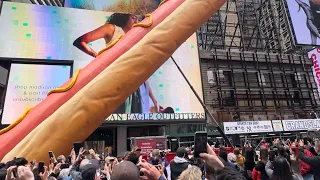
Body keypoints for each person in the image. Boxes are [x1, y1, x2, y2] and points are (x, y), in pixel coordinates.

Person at [73, 13, 159, 114]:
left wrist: (154, 100)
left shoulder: (137, 39)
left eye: (137, 18)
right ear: (123, 17)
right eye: (132, 16)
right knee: (119, 117)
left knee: (138, 122)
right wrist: (98, 57)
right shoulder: (111, 28)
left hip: (139, 86)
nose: (135, 18)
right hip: (118, 81)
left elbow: (142, 72)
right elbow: (80, 41)